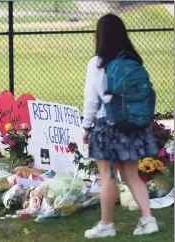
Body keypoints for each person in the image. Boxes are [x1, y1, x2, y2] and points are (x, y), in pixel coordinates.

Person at [82, 14, 159, 239]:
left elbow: (91, 101)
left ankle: (107, 224)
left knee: (107, 175)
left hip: (107, 124)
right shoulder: (133, 61)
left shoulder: (97, 64)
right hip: (132, 124)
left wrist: (86, 127)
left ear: (101, 36)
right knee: (132, 175)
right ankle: (148, 219)